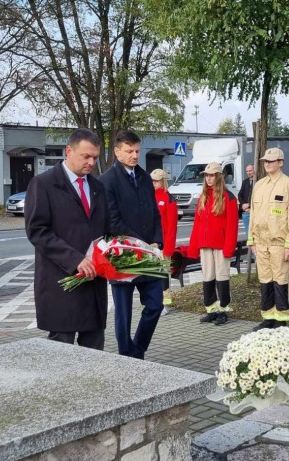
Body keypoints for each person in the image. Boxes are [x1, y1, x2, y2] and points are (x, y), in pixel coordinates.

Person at [25, 128, 110, 350]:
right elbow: (37, 231)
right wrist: (75, 260)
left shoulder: (98, 188)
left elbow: (105, 230)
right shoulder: (43, 184)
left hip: (93, 285)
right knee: (62, 354)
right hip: (62, 284)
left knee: (94, 352)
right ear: (68, 151)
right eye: (86, 156)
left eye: (95, 157)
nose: (91, 163)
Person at [99, 130, 164, 359]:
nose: (134, 155)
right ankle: (126, 355)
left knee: (156, 304)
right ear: (117, 152)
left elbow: (155, 213)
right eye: (129, 151)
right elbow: (113, 221)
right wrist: (141, 243)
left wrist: (157, 242)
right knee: (123, 314)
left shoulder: (145, 177)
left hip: (148, 253)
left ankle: (138, 349)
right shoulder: (106, 181)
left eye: (137, 150)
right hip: (123, 254)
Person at [247, 148, 289, 331]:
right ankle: (268, 317)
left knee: (280, 280)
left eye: (271, 161)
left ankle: (281, 318)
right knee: (265, 280)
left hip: (279, 242)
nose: (267, 164)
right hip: (261, 242)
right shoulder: (259, 185)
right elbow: (253, 214)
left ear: (281, 162)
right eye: (265, 161)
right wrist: (251, 240)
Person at [187, 162, 239, 326]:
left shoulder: (228, 197)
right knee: (208, 277)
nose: (209, 179)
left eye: (212, 175)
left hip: (221, 245)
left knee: (222, 277)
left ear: (219, 177)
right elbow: (197, 223)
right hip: (205, 244)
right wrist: (193, 246)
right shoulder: (203, 196)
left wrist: (229, 248)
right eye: (207, 176)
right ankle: (211, 309)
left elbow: (232, 226)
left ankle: (223, 310)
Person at [150, 169, 177, 313]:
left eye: (156, 181)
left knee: (164, 274)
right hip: (151, 244)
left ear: (163, 181)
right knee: (153, 274)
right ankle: (154, 302)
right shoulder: (149, 197)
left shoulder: (169, 199)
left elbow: (172, 227)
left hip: (164, 244)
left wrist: (168, 247)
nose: (153, 183)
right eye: (152, 181)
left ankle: (165, 304)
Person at [238, 164, 255, 233]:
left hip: (255, 211)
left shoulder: (259, 182)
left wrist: (249, 205)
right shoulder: (245, 182)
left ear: (254, 170)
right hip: (246, 212)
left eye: (250, 170)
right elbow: (240, 194)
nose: (248, 173)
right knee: (248, 234)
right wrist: (243, 205)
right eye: (247, 171)